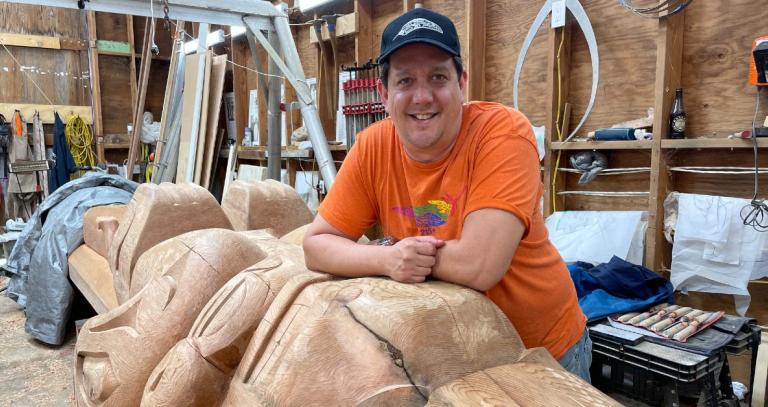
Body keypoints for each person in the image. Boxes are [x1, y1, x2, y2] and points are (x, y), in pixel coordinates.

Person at [302, 7, 591, 382]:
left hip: (540, 353)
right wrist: (388, 258)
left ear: (461, 83)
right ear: (384, 94)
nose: (422, 97)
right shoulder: (372, 147)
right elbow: (316, 246)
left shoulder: (501, 133)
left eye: (438, 77)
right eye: (405, 81)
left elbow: (479, 266)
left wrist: (401, 255)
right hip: (450, 357)